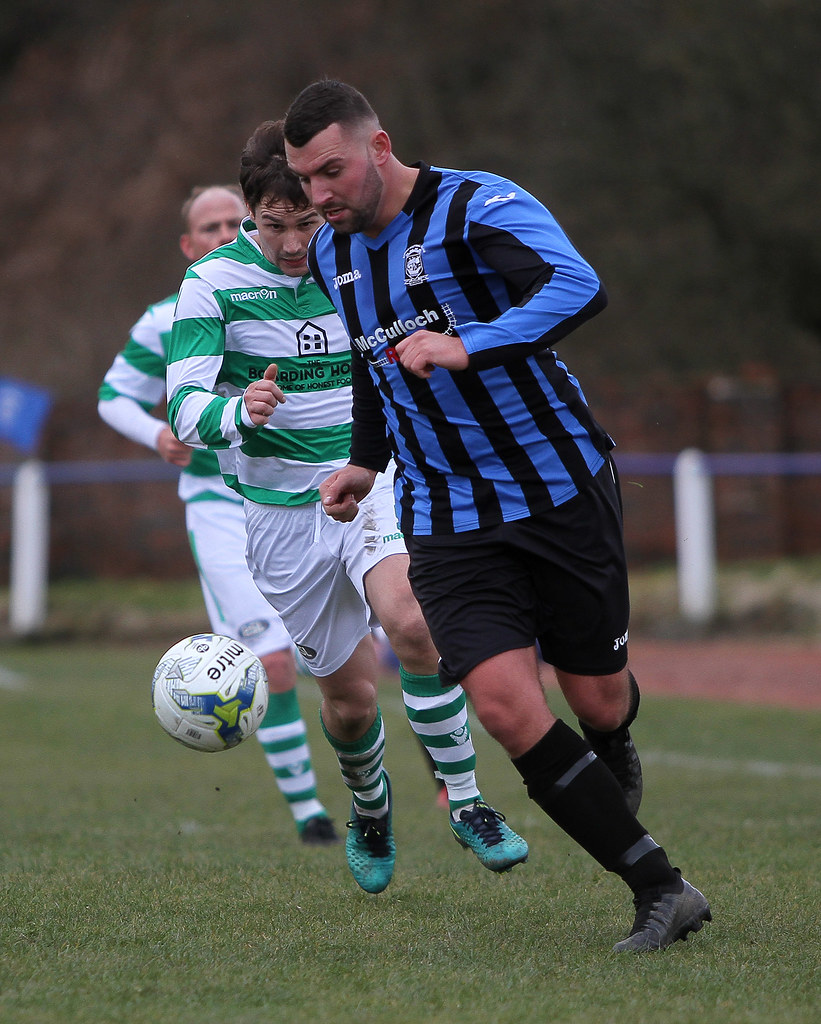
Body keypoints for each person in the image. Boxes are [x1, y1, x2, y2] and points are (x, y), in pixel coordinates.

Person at [283, 80, 712, 951]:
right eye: (304, 180)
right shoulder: (332, 254)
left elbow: (577, 286)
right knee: (505, 707)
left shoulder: (477, 206)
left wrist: (467, 343)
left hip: (556, 485)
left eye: (331, 171)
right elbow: (371, 361)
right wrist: (365, 460)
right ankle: (661, 890)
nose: (318, 195)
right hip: (445, 513)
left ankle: (610, 740)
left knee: (595, 698)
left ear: (377, 147)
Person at [166, 121, 528, 896]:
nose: (294, 242)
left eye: (305, 220)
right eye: (274, 225)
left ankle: (467, 801)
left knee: (414, 623)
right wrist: (237, 411)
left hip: (371, 481)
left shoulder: (362, 257)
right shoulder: (211, 284)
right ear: (250, 213)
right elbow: (184, 407)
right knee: (351, 702)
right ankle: (369, 806)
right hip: (276, 513)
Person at [98, 185, 339, 846]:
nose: (225, 232)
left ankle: (436, 783)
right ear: (188, 244)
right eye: (210, 226)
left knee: (373, 645)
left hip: (305, 495)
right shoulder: (169, 315)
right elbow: (113, 395)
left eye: (236, 220)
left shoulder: (311, 291)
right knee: (273, 661)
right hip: (220, 507)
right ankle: (310, 814)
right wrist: (157, 433)